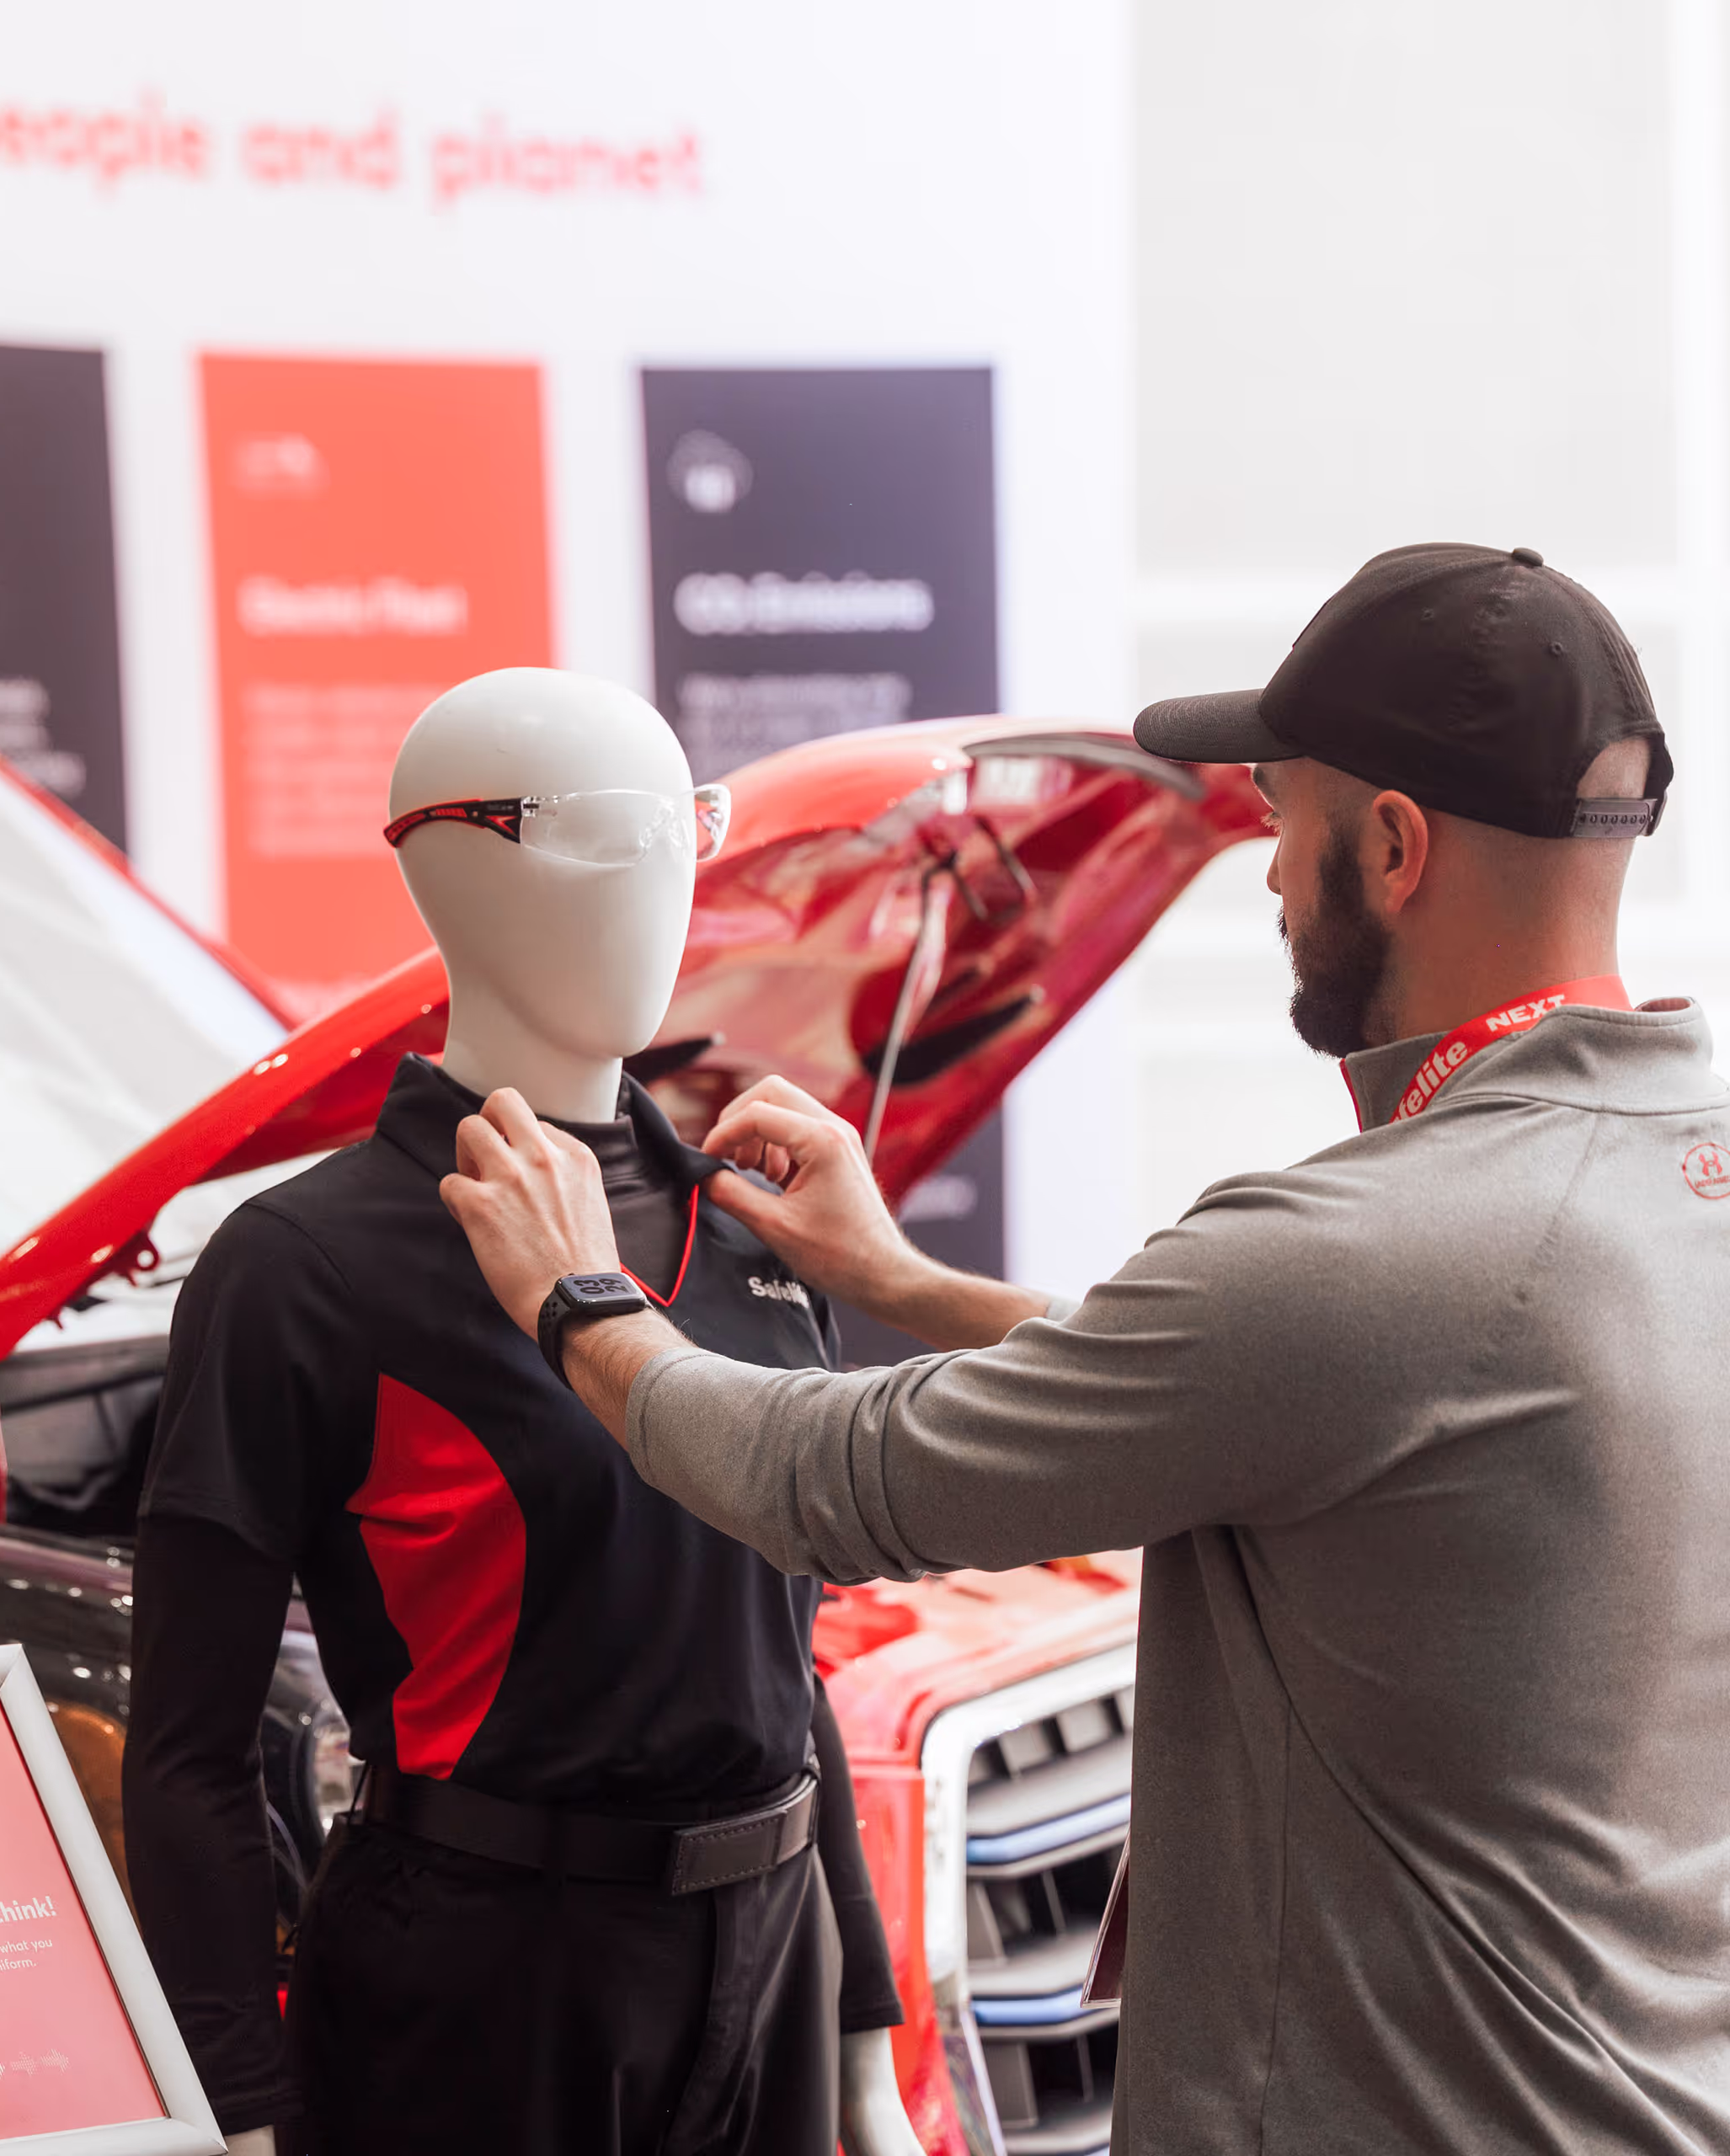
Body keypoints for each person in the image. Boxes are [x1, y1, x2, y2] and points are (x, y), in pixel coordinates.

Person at [436, 542, 1730, 2154]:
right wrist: (899, 1278)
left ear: (1395, 846)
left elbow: (843, 1482)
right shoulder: (1672, 1181)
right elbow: (1297, 1399)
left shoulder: (1382, 1250)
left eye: (1280, 820)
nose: (1267, 881)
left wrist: (583, 1304)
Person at [126, 671, 918, 2156]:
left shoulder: (757, 1225)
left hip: (770, 1962)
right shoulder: (307, 1268)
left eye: (685, 825)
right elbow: (189, 1747)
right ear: (447, 858)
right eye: (613, 830)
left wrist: (863, 2042)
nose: (668, 874)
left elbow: (780, 1665)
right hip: (483, 1989)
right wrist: (241, 2110)